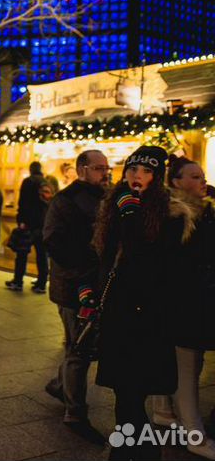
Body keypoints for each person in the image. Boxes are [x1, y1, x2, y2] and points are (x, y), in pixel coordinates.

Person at [93, 145, 195, 461]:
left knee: (133, 392)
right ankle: (134, 451)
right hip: (118, 315)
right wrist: (90, 292)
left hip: (148, 318)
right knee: (124, 395)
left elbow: (148, 266)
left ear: (157, 177)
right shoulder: (114, 206)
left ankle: (136, 453)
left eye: (146, 172)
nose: (137, 177)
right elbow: (106, 260)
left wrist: (131, 217)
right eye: (133, 170)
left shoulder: (171, 215)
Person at [41, 150, 110, 444]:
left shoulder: (104, 198)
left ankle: (60, 384)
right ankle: (75, 412)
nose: (104, 173)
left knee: (79, 345)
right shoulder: (65, 200)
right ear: (82, 169)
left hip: (95, 284)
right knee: (79, 350)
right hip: (74, 288)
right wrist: (82, 277)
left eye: (107, 168)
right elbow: (54, 241)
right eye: (98, 168)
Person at [150, 156, 215, 459]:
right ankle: (195, 435)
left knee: (182, 366)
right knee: (187, 372)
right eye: (195, 176)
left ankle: (163, 411)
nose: (203, 181)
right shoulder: (178, 215)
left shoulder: (200, 212)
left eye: (202, 176)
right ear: (176, 181)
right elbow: (177, 265)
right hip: (184, 306)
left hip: (189, 304)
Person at [7, 161, 50, 292]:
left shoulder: (28, 182)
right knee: (42, 255)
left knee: (22, 253)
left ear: (30, 170)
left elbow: (23, 202)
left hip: (29, 224)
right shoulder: (46, 182)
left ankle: (18, 281)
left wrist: (21, 220)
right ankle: (41, 283)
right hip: (43, 224)